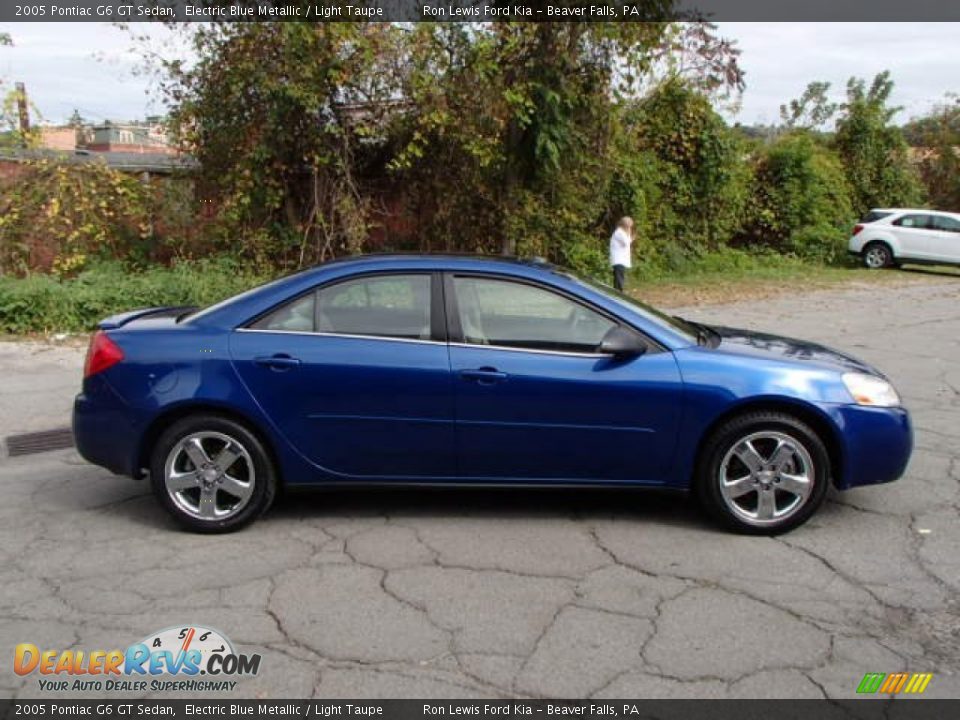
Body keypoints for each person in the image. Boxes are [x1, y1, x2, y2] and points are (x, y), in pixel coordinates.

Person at [609, 216, 634, 292]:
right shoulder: (619, 232)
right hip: (618, 260)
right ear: (625, 225)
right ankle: (618, 293)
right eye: (629, 227)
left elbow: (627, 241)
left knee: (620, 277)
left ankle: (618, 292)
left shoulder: (621, 232)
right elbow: (627, 243)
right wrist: (629, 233)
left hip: (621, 260)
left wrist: (629, 236)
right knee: (619, 278)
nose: (630, 228)